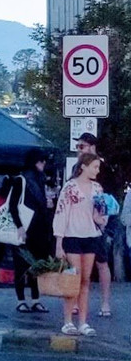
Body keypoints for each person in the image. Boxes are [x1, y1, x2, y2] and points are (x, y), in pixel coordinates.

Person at [53, 152, 107, 336]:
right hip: (72, 236)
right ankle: (68, 321)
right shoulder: (70, 187)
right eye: (95, 167)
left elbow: (99, 213)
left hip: (90, 236)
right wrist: (59, 242)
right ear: (84, 166)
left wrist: (102, 218)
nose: (97, 171)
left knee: (85, 280)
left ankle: (83, 322)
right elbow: (61, 213)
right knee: (73, 280)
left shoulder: (97, 188)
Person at [72, 133, 119, 317]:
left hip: (99, 223)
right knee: (78, 263)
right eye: (78, 147)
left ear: (92, 147)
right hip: (80, 221)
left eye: (81, 146)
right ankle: (76, 301)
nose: (79, 150)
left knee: (101, 262)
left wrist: (104, 220)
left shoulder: (103, 169)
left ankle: (105, 303)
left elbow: (110, 197)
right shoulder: (77, 167)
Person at [8, 148, 52, 313]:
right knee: (21, 265)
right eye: (41, 160)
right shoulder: (21, 180)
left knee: (35, 265)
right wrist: (19, 226)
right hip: (26, 227)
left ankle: (34, 299)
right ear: (35, 161)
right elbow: (12, 205)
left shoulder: (40, 179)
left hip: (38, 228)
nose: (44, 163)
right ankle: (22, 300)